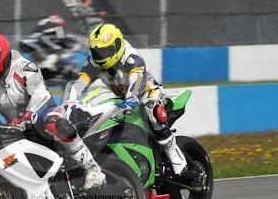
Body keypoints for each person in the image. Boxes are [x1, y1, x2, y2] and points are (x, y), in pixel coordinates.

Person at [0, 29, 105, 189]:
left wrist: (29, 115)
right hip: (13, 127)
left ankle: (92, 170)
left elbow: (40, 95)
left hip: (41, 116)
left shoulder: (24, 68)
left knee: (54, 122)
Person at [66, 23, 192, 178]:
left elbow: (137, 81)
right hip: (121, 96)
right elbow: (79, 84)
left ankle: (174, 155)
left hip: (147, 93)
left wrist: (131, 99)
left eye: (105, 51)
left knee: (151, 108)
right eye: (98, 52)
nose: (101, 56)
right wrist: (68, 104)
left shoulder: (131, 58)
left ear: (116, 45)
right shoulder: (93, 63)